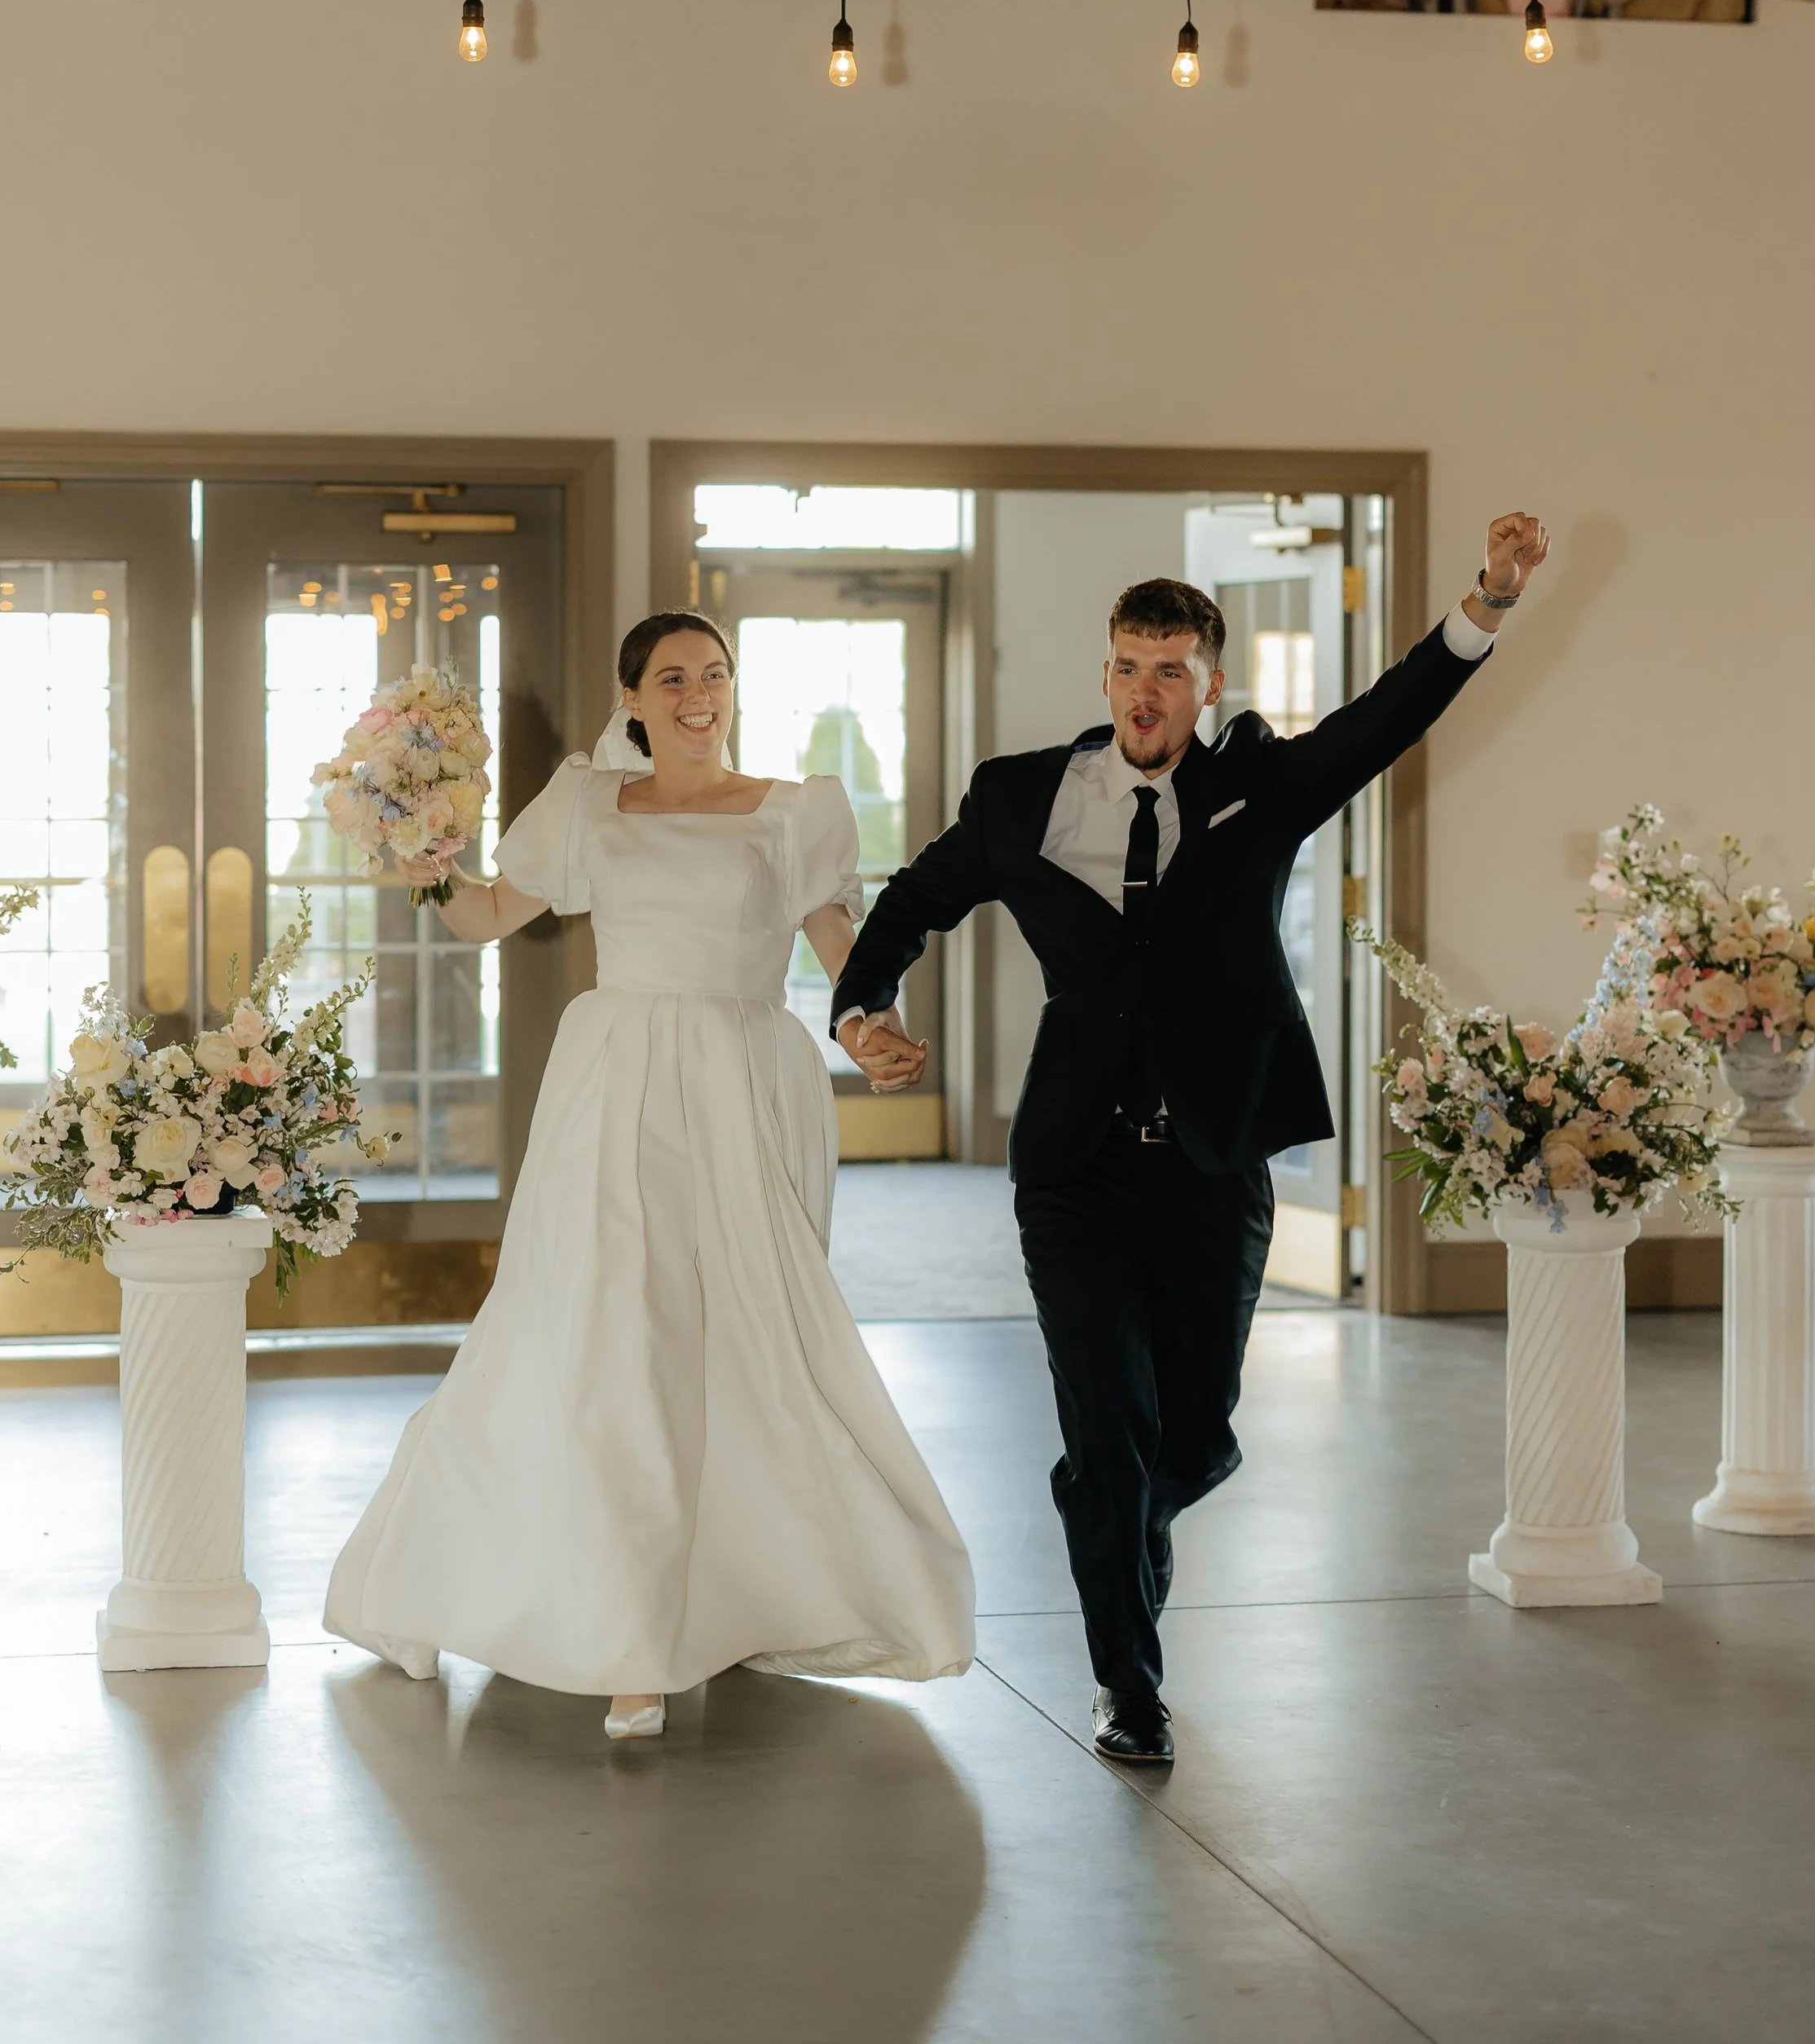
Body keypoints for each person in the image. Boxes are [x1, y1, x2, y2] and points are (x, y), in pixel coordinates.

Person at [831, 514, 1549, 1765]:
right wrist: (861, 1007)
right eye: (1127, 665)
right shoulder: (1022, 796)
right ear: (1105, 673)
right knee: (1105, 1429)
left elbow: (1386, 720)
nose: (1145, 691)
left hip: (1215, 1162)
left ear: (1208, 684)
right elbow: (914, 898)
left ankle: (1119, 1504)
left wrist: (1487, 599)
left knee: (1198, 1432)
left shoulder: (1258, 787)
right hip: (1074, 1168)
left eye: (1170, 670)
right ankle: (1131, 1684)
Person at [325, 610, 976, 1742]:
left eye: (713, 674)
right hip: (614, 1081)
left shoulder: (793, 810)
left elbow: (843, 953)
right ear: (632, 698)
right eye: (672, 678)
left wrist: (870, 1032)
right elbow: (486, 916)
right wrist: (424, 861)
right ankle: (631, 1639)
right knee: (613, 1330)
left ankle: (736, 1595)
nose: (697, 695)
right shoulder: (588, 804)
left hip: (743, 1080)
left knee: (740, 1333)